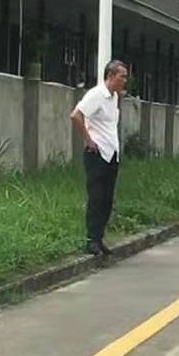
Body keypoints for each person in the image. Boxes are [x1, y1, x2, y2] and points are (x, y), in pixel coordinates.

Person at [71, 60, 130, 257]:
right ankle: (91, 240)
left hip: (111, 154)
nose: (125, 80)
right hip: (97, 154)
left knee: (107, 199)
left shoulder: (114, 98)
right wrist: (88, 140)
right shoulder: (97, 95)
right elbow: (75, 116)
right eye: (122, 76)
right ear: (111, 75)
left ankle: (99, 237)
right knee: (96, 198)